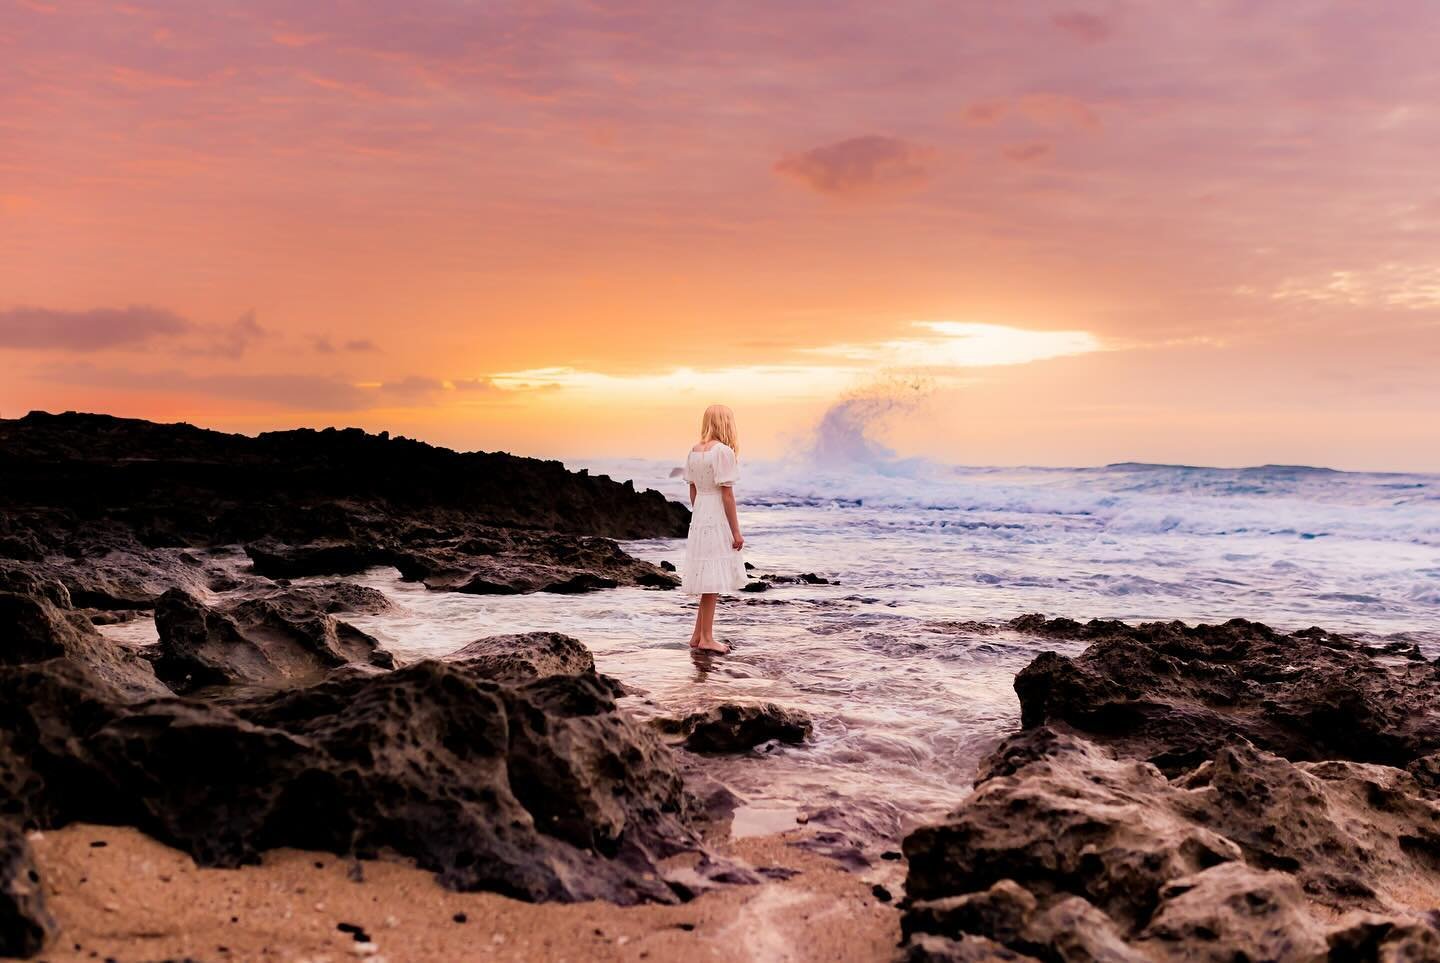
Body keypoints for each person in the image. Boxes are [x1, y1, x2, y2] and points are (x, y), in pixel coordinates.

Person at [682, 404, 746, 653]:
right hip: (716, 514)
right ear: (726, 423)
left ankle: (697, 635)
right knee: (712, 580)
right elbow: (728, 496)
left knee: (706, 574)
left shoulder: (694, 451)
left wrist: (700, 512)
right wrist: (736, 532)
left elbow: (693, 488)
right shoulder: (723, 452)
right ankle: (707, 638)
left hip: (700, 514)